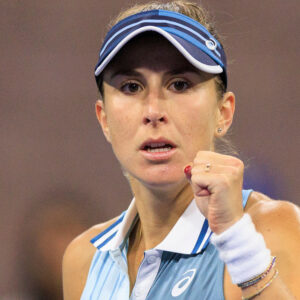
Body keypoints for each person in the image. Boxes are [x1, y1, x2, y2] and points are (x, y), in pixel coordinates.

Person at [62, 1, 300, 299]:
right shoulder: (83, 259)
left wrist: (236, 239)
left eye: (179, 84)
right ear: (104, 119)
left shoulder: (270, 229)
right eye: (131, 87)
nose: (153, 110)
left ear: (223, 113)